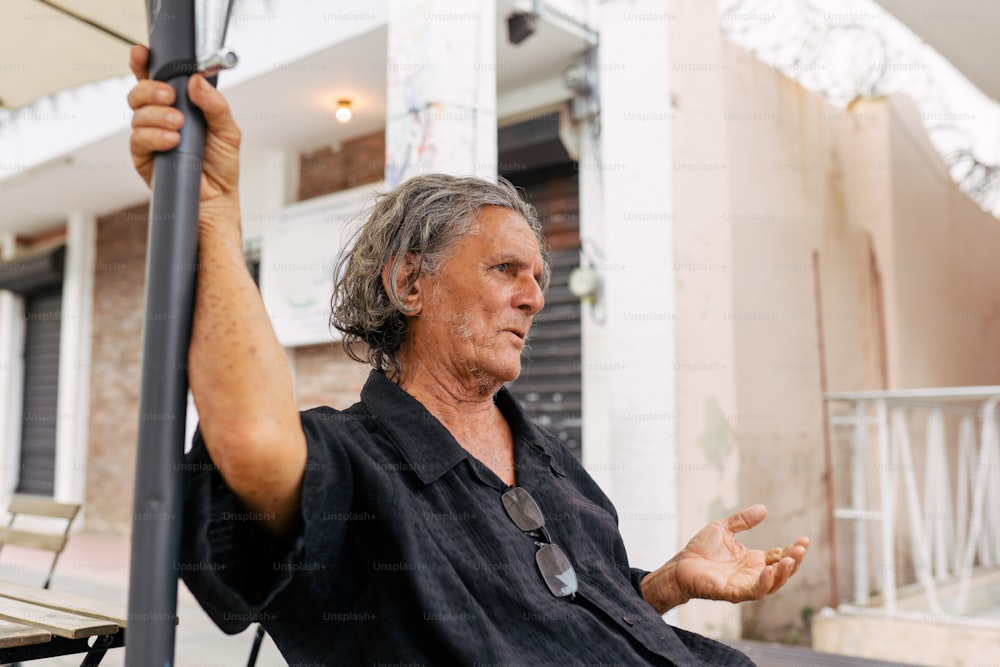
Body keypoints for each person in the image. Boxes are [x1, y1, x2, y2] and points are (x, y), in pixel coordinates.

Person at [128, 44, 809, 666]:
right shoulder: (352, 463)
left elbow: (563, 613)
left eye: (538, 277)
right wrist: (213, 213)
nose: (534, 297)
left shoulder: (549, 458)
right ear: (409, 283)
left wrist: (662, 585)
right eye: (505, 268)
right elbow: (251, 439)